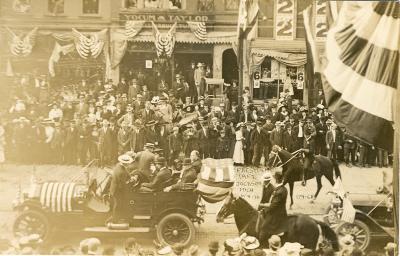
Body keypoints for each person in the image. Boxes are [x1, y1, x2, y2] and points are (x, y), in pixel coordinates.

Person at [259, 169, 288, 243]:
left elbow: (272, 206)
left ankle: (264, 243)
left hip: (277, 214)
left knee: (263, 227)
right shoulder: (282, 189)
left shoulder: (279, 191)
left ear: (276, 179)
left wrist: (262, 205)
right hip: (278, 210)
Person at [109, 154, 134, 223]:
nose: (129, 164)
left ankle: (119, 217)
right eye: (127, 163)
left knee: (119, 204)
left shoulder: (119, 165)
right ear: (124, 163)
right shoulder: (121, 172)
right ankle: (115, 220)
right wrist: (130, 181)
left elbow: (126, 173)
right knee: (118, 204)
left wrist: (130, 177)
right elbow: (122, 184)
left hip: (116, 188)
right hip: (117, 190)